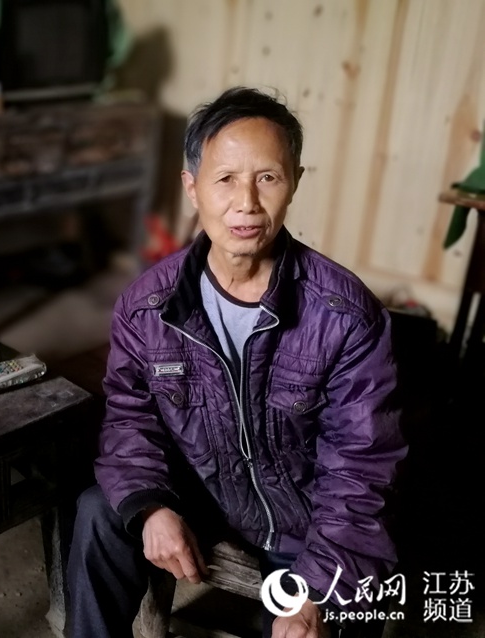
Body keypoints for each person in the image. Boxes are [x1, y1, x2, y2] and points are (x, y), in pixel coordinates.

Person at [66, 87, 408, 638]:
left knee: (343, 612)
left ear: (295, 181)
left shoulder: (345, 315)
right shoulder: (147, 306)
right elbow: (130, 419)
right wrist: (152, 507)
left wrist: (313, 594)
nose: (246, 202)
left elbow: (362, 470)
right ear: (192, 187)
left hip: (304, 526)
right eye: (225, 178)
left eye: (267, 177)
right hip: (203, 493)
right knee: (98, 512)